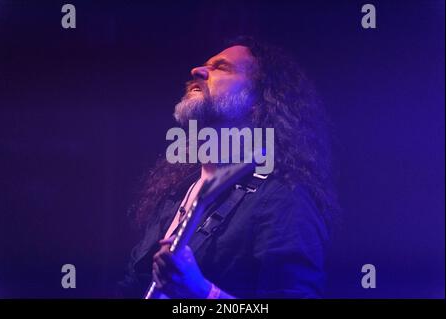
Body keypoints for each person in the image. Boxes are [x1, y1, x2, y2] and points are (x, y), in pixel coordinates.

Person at [118, 36, 338, 299]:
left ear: (259, 99)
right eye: (205, 65)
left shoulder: (282, 197)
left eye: (221, 67)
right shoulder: (175, 196)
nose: (196, 71)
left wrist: (203, 292)